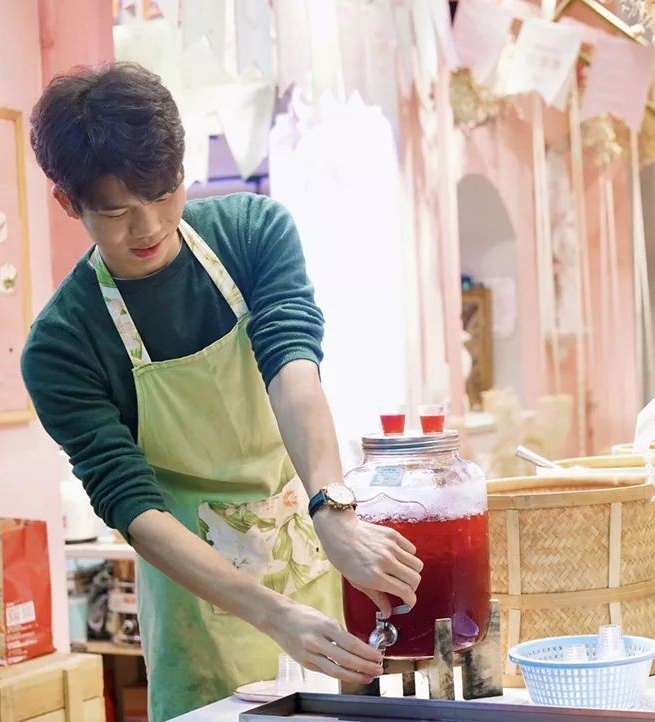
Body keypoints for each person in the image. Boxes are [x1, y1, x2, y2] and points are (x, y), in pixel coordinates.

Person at [22, 64, 422, 720]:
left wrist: (333, 508)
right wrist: (274, 615)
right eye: (117, 212)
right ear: (69, 204)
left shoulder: (251, 233)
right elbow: (133, 507)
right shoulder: (63, 343)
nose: (149, 227)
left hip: (314, 551)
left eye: (164, 194)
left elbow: (293, 370)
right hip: (199, 600)